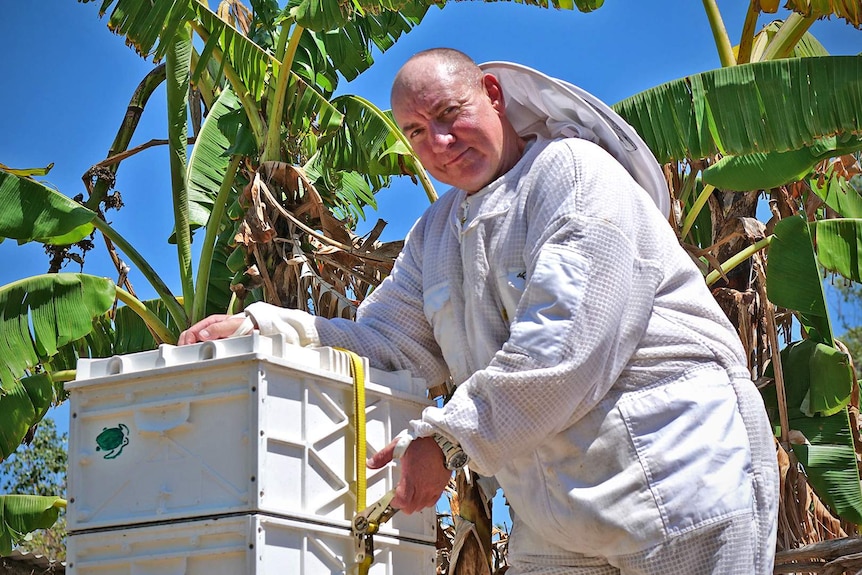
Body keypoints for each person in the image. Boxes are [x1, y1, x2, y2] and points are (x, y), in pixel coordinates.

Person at [179, 48, 778, 574]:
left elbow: (566, 348)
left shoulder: (575, 175)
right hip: (553, 515)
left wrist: (445, 443)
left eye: (448, 115)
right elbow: (387, 344)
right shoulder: (436, 234)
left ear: (492, 95)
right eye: (416, 131)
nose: (438, 144)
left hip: (678, 479)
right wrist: (268, 329)